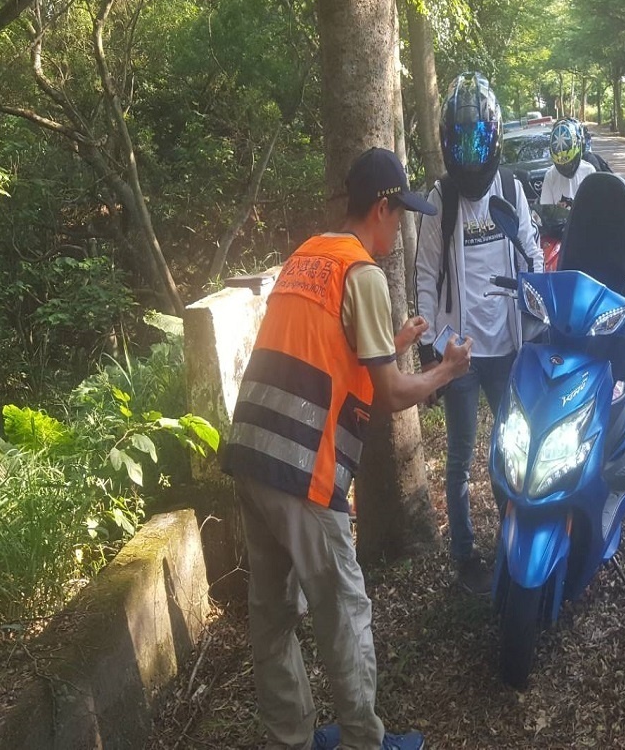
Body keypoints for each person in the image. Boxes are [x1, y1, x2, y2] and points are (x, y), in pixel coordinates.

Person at [222, 147, 472, 750]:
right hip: (304, 470)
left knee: (273, 617)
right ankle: (364, 741)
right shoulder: (362, 273)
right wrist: (448, 372)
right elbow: (388, 394)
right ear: (382, 208)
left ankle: (291, 739)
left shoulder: (308, 256)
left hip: (251, 455)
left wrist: (398, 336)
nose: (402, 227)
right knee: (346, 614)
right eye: (400, 214)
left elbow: (328, 347)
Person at [415, 72, 543, 595]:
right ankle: (464, 554)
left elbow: (533, 257)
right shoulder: (440, 201)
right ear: (449, 141)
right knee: (460, 458)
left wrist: (538, 312)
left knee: (512, 451)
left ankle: (513, 541)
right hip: (461, 355)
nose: (470, 153)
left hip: (509, 349)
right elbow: (425, 275)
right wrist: (435, 346)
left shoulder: (511, 188)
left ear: (492, 138)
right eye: (460, 141)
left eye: (478, 140)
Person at [540, 117, 596, 206]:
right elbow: (546, 208)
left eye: (569, 163)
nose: (566, 167)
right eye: (562, 165)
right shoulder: (550, 175)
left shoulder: (589, 171)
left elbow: (595, 207)